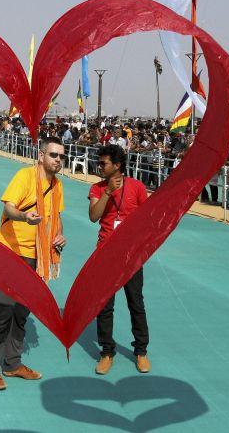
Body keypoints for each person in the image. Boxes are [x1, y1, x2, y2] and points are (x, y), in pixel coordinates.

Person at [0, 136, 67, 391]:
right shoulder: (25, 176)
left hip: (36, 258)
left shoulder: (58, 185)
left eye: (61, 156)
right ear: (41, 156)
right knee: (1, 312)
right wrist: (24, 217)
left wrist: (59, 235)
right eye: (54, 155)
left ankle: (13, 363)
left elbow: (57, 216)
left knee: (21, 313)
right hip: (9, 254)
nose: (58, 160)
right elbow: (9, 208)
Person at [88, 144, 150, 375]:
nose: (100, 166)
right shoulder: (97, 188)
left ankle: (141, 351)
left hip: (131, 256)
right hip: (105, 255)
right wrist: (107, 192)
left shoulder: (137, 187)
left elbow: (148, 220)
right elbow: (94, 216)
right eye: (100, 162)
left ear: (117, 165)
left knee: (136, 303)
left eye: (104, 163)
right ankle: (106, 352)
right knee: (104, 306)